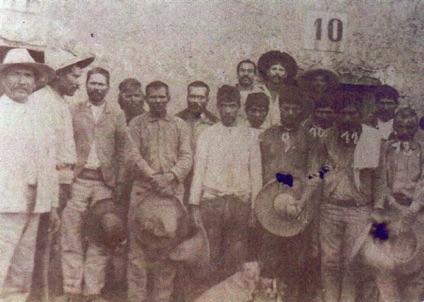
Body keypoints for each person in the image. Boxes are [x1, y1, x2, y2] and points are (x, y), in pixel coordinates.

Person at [29, 47, 94, 300]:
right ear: (57, 74)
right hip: (49, 183)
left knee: (53, 243)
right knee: (41, 245)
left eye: (79, 76)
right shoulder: (41, 102)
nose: (78, 83)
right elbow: (40, 153)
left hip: (64, 182)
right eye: (74, 76)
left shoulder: (60, 102)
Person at [60, 67, 127, 302]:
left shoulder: (116, 115)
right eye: (93, 83)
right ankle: (72, 290)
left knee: (100, 237)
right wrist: (66, 179)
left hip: (103, 183)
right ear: (86, 85)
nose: (97, 88)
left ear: (108, 87)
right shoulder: (74, 111)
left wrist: (118, 182)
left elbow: (122, 151)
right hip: (78, 181)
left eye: (101, 84)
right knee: (72, 233)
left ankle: (92, 292)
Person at [0, 48, 59, 301]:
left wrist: (53, 205)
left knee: (22, 273)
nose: (22, 81)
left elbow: (48, 163)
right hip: (4, 205)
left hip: (34, 205)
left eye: (27, 75)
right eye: (16, 74)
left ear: (35, 82)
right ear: (3, 79)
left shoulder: (41, 116)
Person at [126, 81, 192, 302]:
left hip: (171, 194)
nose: (158, 101)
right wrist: (153, 177)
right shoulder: (136, 124)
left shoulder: (179, 125)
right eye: (153, 97)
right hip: (144, 191)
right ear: (146, 98)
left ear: (169, 98)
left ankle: (162, 298)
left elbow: (186, 156)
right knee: (137, 253)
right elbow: (133, 155)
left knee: (167, 250)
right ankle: (136, 298)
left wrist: (171, 176)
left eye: (162, 97)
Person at [189, 85, 262, 283]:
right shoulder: (208, 135)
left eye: (232, 106)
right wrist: (194, 205)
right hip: (212, 202)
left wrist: (255, 207)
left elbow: (255, 174)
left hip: (240, 203)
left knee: (236, 253)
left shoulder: (249, 136)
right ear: (218, 107)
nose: (228, 111)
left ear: (239, 108)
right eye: (224, 106)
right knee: (210, 252)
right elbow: (199, 170)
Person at [317, 91, 384, 302]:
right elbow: (317, 171)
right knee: (329, 261)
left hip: (359, 209)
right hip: (330, 207)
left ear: (361, 114)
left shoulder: (372, 138)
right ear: (336, 115)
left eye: (353, 113)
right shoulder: (327, 136)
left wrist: (378, 206)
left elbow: (380, 176)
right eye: (344, 113)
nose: (348, 118)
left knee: (351, 261)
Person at [257, 86, 319, 302]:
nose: (290, 113)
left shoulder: (310, 138)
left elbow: (315, 173)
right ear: (280, 109)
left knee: (296, 260)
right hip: (269, 206)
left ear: (301, 111)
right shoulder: (267, 136)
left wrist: (304, 199)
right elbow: (258, 170)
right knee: (269, 258)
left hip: (297, 206)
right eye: (286, 108)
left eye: (295, 109)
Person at [367, 107, 424, 302]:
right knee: (384, 263)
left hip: (417, 214)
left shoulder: (423, 149)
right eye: (400, 126)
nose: (405, 131)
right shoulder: (387, 148)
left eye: (410, 127)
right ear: (394, 127)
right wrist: (386, 202)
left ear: (416, 128)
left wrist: (414, 208)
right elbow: (381, 178)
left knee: (415, 265)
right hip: (390, 210)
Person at [257, 50, 298, 128]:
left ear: (286, 74)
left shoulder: (290, 94)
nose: (277, 73)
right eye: (274, 69)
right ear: (267, 72)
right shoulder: (257, 91)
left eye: (281, 70)